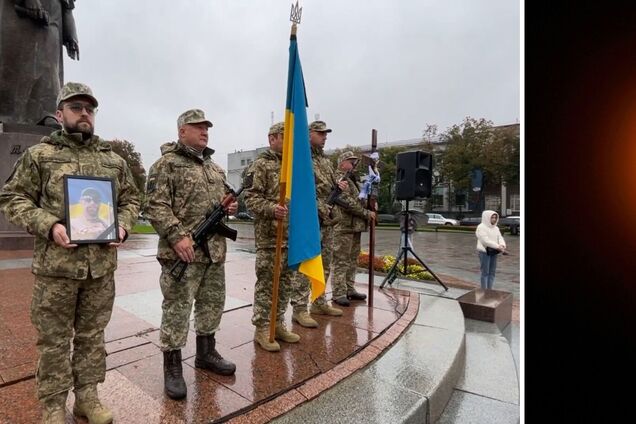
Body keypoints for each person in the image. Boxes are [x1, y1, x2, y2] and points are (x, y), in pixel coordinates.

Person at [0, 82, 139, 424]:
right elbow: (12, 198)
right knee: (54, 341)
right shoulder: (40, 156)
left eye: (90, 109)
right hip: (56, 271)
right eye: (76, 108)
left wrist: (121, 225)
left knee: (93, 338)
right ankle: (52, 405)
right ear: (60, 114)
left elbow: (132, 200)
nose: (85, 114)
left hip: (99, 271)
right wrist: (49, 225)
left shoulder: (113, 160)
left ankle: (87, 398)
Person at [144, 108, 238, 401]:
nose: (204, 131)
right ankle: (172, 366)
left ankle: (206, 353)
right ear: (182, 131)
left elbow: (222, 203)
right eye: (197, 126)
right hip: (182, 252)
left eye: (207, 127)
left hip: (214, 252)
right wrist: (176, 236)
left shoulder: (214, 168)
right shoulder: (165, 165)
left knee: (212, 304)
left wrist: (230, 209)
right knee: (177, 309)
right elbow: (155, 205)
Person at [243, 122, 307, 352]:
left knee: (285, 284)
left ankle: (278, 323)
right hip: (270, 237)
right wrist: (272, 209)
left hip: (292, 236)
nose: (290, 142)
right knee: (268, 285)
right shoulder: (260, 165)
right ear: (272, 138)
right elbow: (250, 199)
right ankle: (262, 327)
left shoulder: (293, 166)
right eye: (285, 137)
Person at [296, 120, 347, 317]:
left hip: (327, 220)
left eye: (326, 134)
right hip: (310, 218)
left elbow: (331, 185)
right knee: (306, 263)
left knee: (324, 263)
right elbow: (300, 188)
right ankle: (300, 308)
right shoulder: (302, 157)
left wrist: (339, 186)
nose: (324, 137)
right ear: (309, 134)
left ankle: (319, 301)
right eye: (320, 133)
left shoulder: (325, 160)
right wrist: (319, 207)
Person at [0, 0, 79, 125]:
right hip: (17, 10)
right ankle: (6, 115)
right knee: (13, 61)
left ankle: (46, 113)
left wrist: (69, 23)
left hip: (53, 15)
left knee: (49, 66)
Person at [331, 151, 375, 307]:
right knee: (341, 261)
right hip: (343, 226)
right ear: (342, 163)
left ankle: (349, 288)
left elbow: (358, 199)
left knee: (352, 260)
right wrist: (365, 213)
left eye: (355, 162)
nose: (354, 165)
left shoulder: (352, 179)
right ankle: (338, 292)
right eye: (351, 162)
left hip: (354, 226)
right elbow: (347, 201)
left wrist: (370, 205)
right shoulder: (339, 178)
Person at [475, 210, 507, 289]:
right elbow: (485, 241)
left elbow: (500, 237)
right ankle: (484, 291)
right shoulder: (481, 227)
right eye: (492, 217)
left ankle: (490, 290)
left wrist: (502, 245)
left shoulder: (496, 228)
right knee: (485, 272)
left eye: (495, 217)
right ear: (487, 217)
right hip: (484, 252)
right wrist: (498, 247)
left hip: (494, 252)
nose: (494, 219)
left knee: (492, 272)